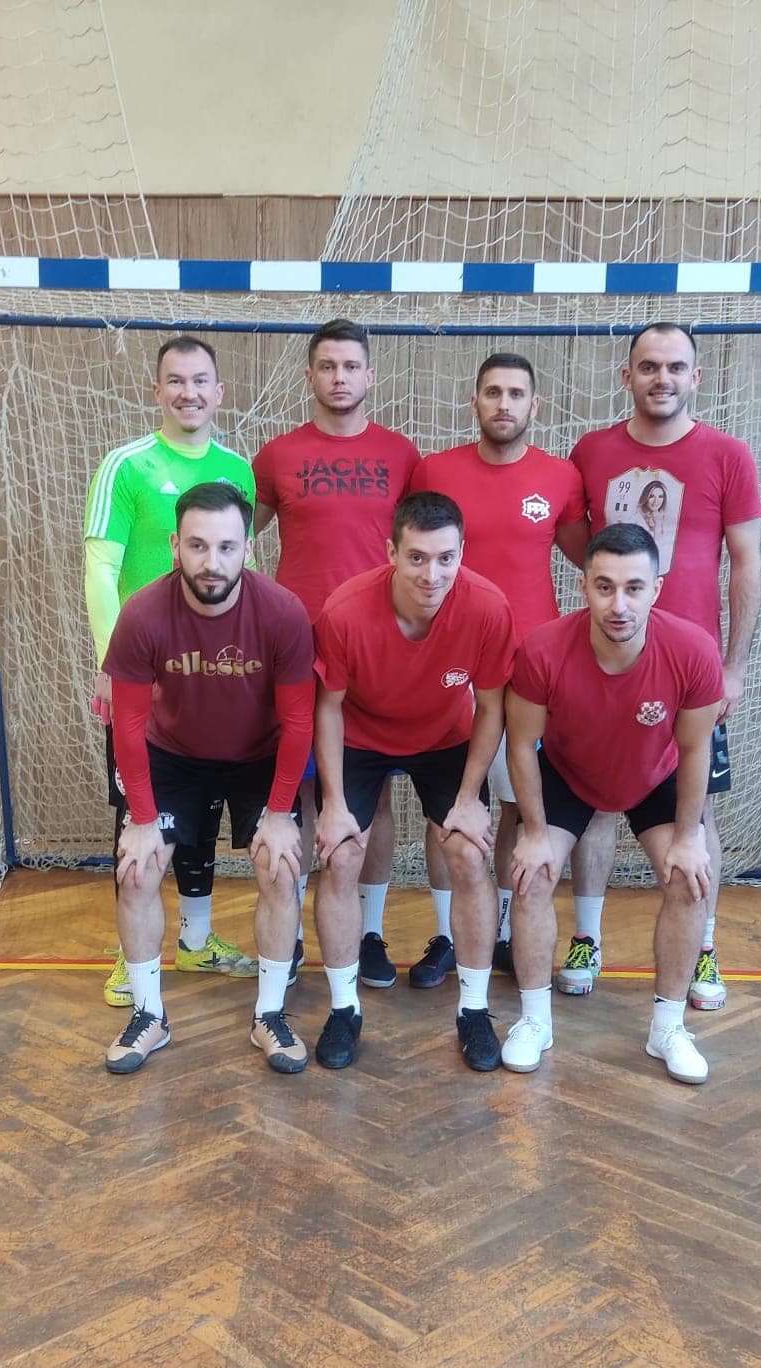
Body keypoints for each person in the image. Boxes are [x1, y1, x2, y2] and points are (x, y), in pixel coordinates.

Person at [563, 322, 761, 1005]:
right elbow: (582, 547)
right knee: (593, 804)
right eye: (648, 366)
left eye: (676, 367)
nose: (662, 378)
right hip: (604, 668)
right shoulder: (591, 452)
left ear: (695, 377)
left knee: (695, 813)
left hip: (691, 676)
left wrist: (732, 667)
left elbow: (745, 565)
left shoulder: (728, 455)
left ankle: (702, 947)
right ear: (628, 377)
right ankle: (586, 939)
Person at [253, 320, 453, 990]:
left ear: (370, 376)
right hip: (298, 648)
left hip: (376, 649)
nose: (339, 377)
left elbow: (424, 545)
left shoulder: (401, 454)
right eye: (327, 366)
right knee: (301, 791)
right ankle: (297, 931)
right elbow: (236, 540)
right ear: (309, 375)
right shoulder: (277, 456)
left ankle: (367, 933)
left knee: (375, 796)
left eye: (351, 366)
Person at [100, 484, 316, 1075]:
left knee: (280, 865)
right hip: (173, 755)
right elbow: (128, 725)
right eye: (197, 546)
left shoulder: (282, 613)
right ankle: (148, 1015)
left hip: (258, 757)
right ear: (175, 546)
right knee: (137, 869)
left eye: (225, 547)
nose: (211, 562)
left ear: (248, 548)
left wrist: (279, 813)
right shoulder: (143, 613)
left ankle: (269, 1015)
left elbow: (299, 722)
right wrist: (142, 820)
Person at [504, 524, 725, 1082]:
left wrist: (689, 837)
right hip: (569, 773)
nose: (619, 604)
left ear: (657, 589)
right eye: (604, 587)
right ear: (584, 587)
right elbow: (521, 746)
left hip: (654, 775)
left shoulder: (694, 651)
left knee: (688, 879)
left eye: (633, 588)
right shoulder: (543, 650)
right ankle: (534, 1022)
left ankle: (668, 1029)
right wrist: (535, 833)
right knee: (531, 877)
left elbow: (694, 749)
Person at [309, 492, 515, 1071]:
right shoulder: (345, 611)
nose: (432, 574)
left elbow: (491, 706)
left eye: (446, 558)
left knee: (468, 853)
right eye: (417, 558)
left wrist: (470, 797)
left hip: (444, 738)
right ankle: (344, 1008)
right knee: (341, 856)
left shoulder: (488, 607)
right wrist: (332, 802)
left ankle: (474, 1010)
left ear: (462, 553)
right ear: (391, 553)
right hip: (360, 737)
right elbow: (328, 706)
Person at [84, 335, 260, 1006]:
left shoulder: (238, 470)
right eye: (176, 381)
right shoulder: (126, 466)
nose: (189, 392)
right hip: (144, 675)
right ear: (156, 391)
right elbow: (100, 567)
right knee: (141, 810)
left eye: (201, 380)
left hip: (214, 674)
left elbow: (240, 568)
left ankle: (196, 940)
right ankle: (131, 957)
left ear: (219, 392)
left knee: (203, 803)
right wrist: (112, 661)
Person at [409, 352, 587, 980]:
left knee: (517, 804)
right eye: (492, 392)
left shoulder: (561, 477)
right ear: (475, 401)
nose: (503, 404)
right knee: (448, 807)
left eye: (516, 394)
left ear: (534, 405)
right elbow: (414, 556)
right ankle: (445, 937)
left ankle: (507, 931)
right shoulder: (434, 471)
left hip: (531, 673)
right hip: (451, 667)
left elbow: (591, 561)